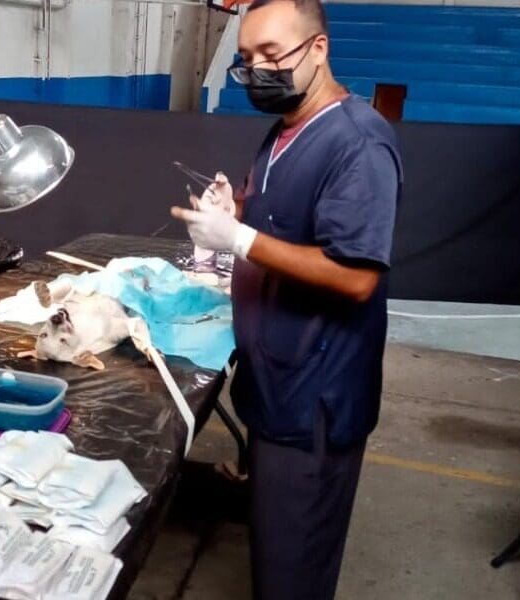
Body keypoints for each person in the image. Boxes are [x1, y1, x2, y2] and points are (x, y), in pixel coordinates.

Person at [171, 0, 402, 598]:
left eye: (272, 55)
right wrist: (236, 207)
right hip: (273, 380)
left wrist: (239, 239)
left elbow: (356, 276)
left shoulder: (358, 144)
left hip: (314, 397)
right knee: (272, 547)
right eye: (247, 59)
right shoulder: (285, 129)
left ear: (318, 49)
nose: (258, 71)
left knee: (291, 573)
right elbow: (283, 215)